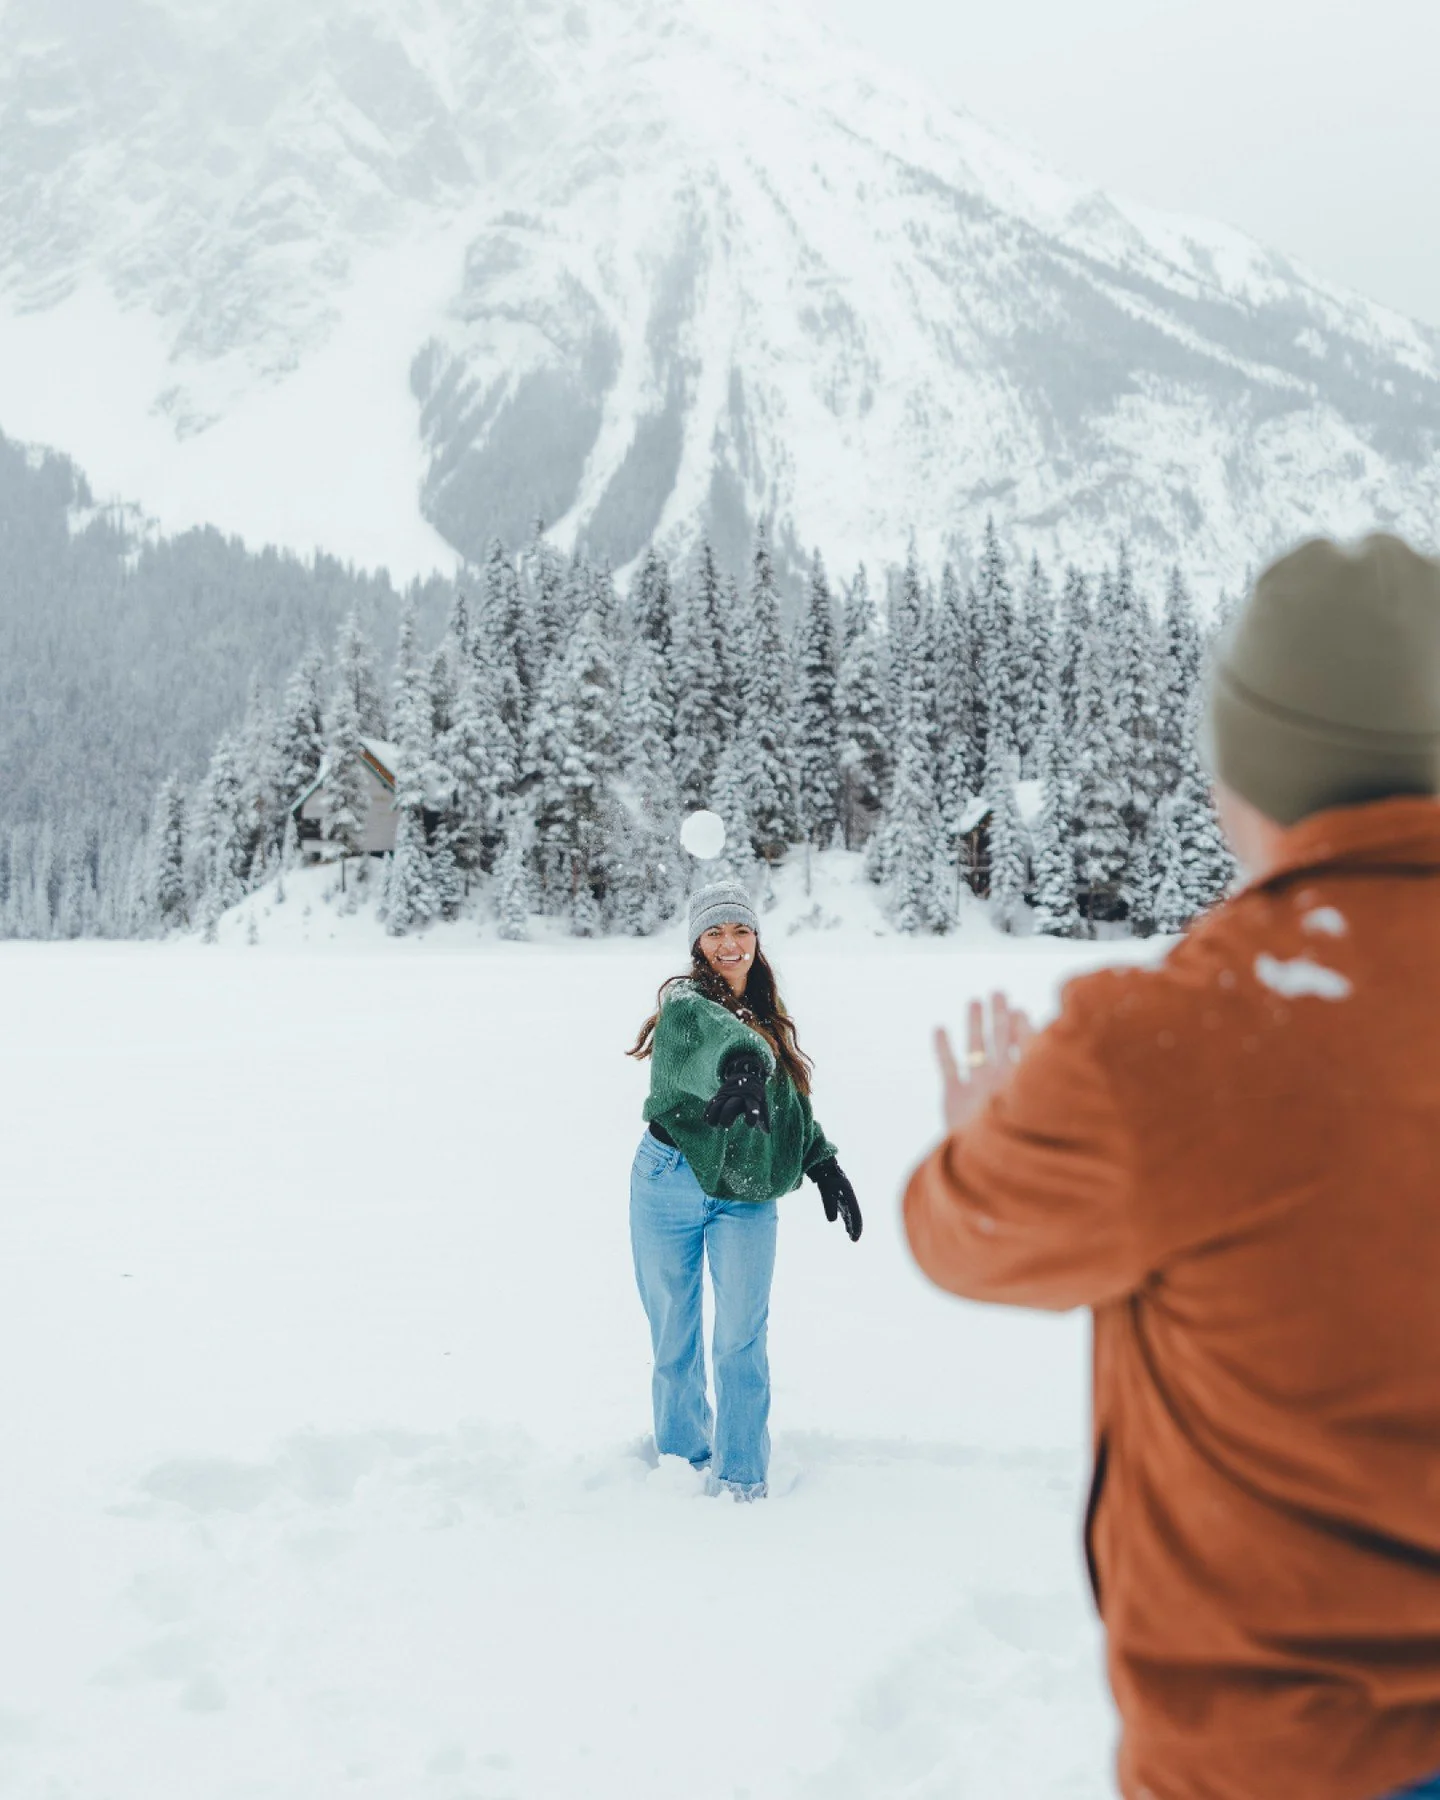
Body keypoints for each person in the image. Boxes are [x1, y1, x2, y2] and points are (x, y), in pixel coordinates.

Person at [904, 534, 1440, 1800]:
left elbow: (956, 1234)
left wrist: (986, 1128)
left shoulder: (1170, 1046)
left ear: (1244, 777)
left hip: (1282, 1761)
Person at [627, 877, 861, 1499]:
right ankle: (681, 1467)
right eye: (715, 932)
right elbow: (712, 1042)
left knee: (740, 1338)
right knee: (673, 1335)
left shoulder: (767, 1014)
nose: (729, 944)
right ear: (697, 943)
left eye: (740, 930)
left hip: (746, 1190)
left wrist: (821, 1161)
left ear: (756, 937)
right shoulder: (683, 1004)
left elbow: (787, 1105)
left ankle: (740, 1480)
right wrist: (741, 1065)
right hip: (668, 1178)